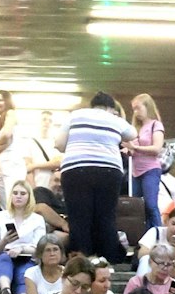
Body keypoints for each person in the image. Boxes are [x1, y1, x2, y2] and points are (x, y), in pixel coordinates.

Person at [55, 94, 135, 261]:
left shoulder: (74, 115)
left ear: (92, 105)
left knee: (78, 218)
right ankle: (108, 260)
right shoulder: (114, 119)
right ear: (110, 108)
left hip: (76, 169)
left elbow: (59, 144)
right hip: (109, 171)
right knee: (106, 217)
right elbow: (132, 134)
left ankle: (81, 261)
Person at [0, 180, 47, 294]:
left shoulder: (37, 219)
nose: (18, 196)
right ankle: (5, 291)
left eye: (23, 194)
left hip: (27, 257)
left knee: (25, 271)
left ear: (29, 197)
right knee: (3, 259)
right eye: (15, 193)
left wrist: (22, 249)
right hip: (3, 254)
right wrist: (4, 242)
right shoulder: (0, 217)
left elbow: (39, 248)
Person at [127, 94, 167, 222]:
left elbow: (156, 149)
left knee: (150, 205)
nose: (136, 112)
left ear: (147, 106)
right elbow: (132, 150)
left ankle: (156, 230)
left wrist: (135, 148)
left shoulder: (156, 125)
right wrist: (128, 150)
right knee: (136, 207)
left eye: (138, 108)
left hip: (150, 169)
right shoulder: (136, 129)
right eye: (134, 109)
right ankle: (140, 231)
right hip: (136, 172)